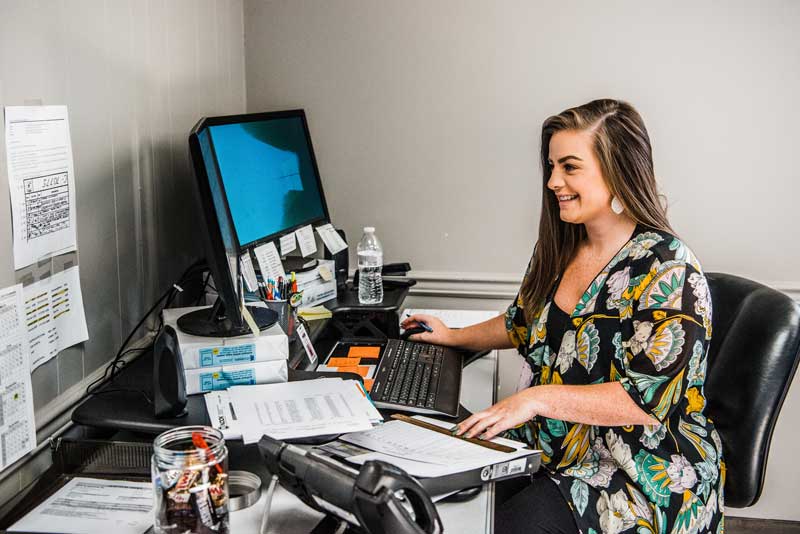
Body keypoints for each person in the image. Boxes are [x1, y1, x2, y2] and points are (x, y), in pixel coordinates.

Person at [402, 99, 724, 533]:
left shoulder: (669, 270)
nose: (554, 181)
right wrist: (454, 336)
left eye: (570, 167)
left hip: (641, 472)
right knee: (433, 502)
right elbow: (522, 324)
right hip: (553, 447)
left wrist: (535, 399)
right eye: (552, 166)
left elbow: (645, 399)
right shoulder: (562, 247)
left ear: (618, 170)